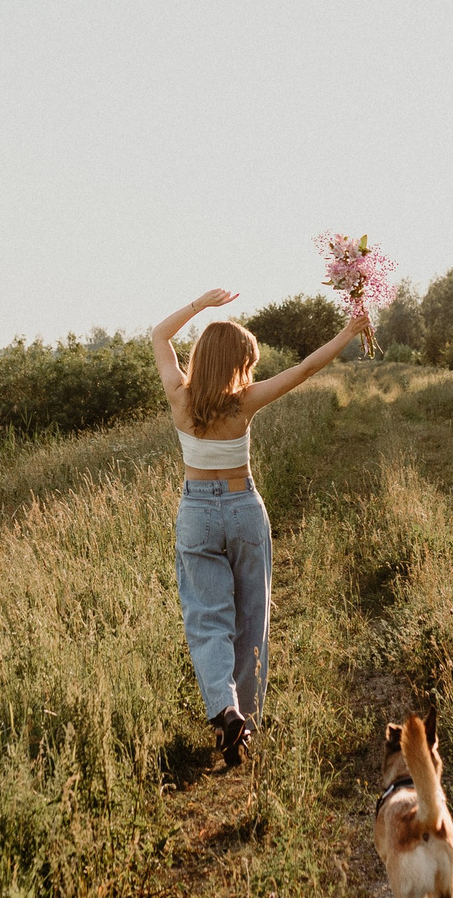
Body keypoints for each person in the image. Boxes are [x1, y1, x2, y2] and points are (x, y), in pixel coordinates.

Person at [150, 288, 360, 767]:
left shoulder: (180, 397)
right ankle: (244, 722)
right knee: (252, 620)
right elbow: (306, 368)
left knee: (207, 622)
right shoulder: (243, 402)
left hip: (198, 514)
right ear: (237, 364)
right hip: (244, 509)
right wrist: (348, 331)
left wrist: (200, 305)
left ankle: (224, 710)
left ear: (201, 358)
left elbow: (159, 334)